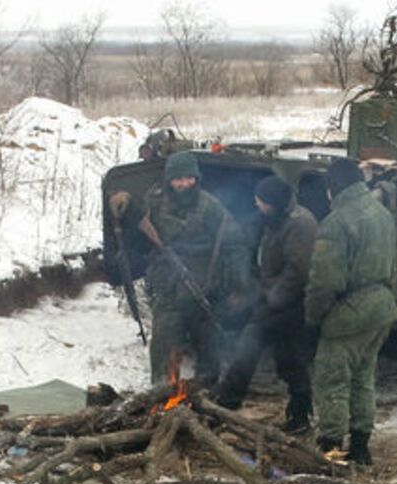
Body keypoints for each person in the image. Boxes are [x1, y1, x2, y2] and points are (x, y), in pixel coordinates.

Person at [109, 151, 246, 384]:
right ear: (169, 180)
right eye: (178, 179)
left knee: (208, 348)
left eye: (189, 178)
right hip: (168, 287)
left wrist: (238, 285)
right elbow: (139, 236)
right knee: (165, 343)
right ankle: (162, 395)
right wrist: (123, 210)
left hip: (203, 288)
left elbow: (234, 244)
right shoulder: (155, 202)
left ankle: (206, 394)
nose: (184, 184)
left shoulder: (210, 207)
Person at [305, 157, 397, 465]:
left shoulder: (336, 222)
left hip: (348, 313)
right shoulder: (382, 213)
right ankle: (360, 447)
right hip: (381, 307)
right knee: (363, 378)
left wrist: (313, 317)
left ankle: (331, 449)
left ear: (332, 189)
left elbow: (325, 281)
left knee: (332, 380)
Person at [213, 174, 318, 433]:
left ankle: (226, 403)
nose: (257, 205)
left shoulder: (300, 225)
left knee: (249, 342)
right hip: (277, 297)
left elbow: (298, 271)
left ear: (274, 203)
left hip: (290, 301)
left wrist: (272, 299)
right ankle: (300, 416)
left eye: (261, 202)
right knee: (290, 358)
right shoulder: (276, 219)